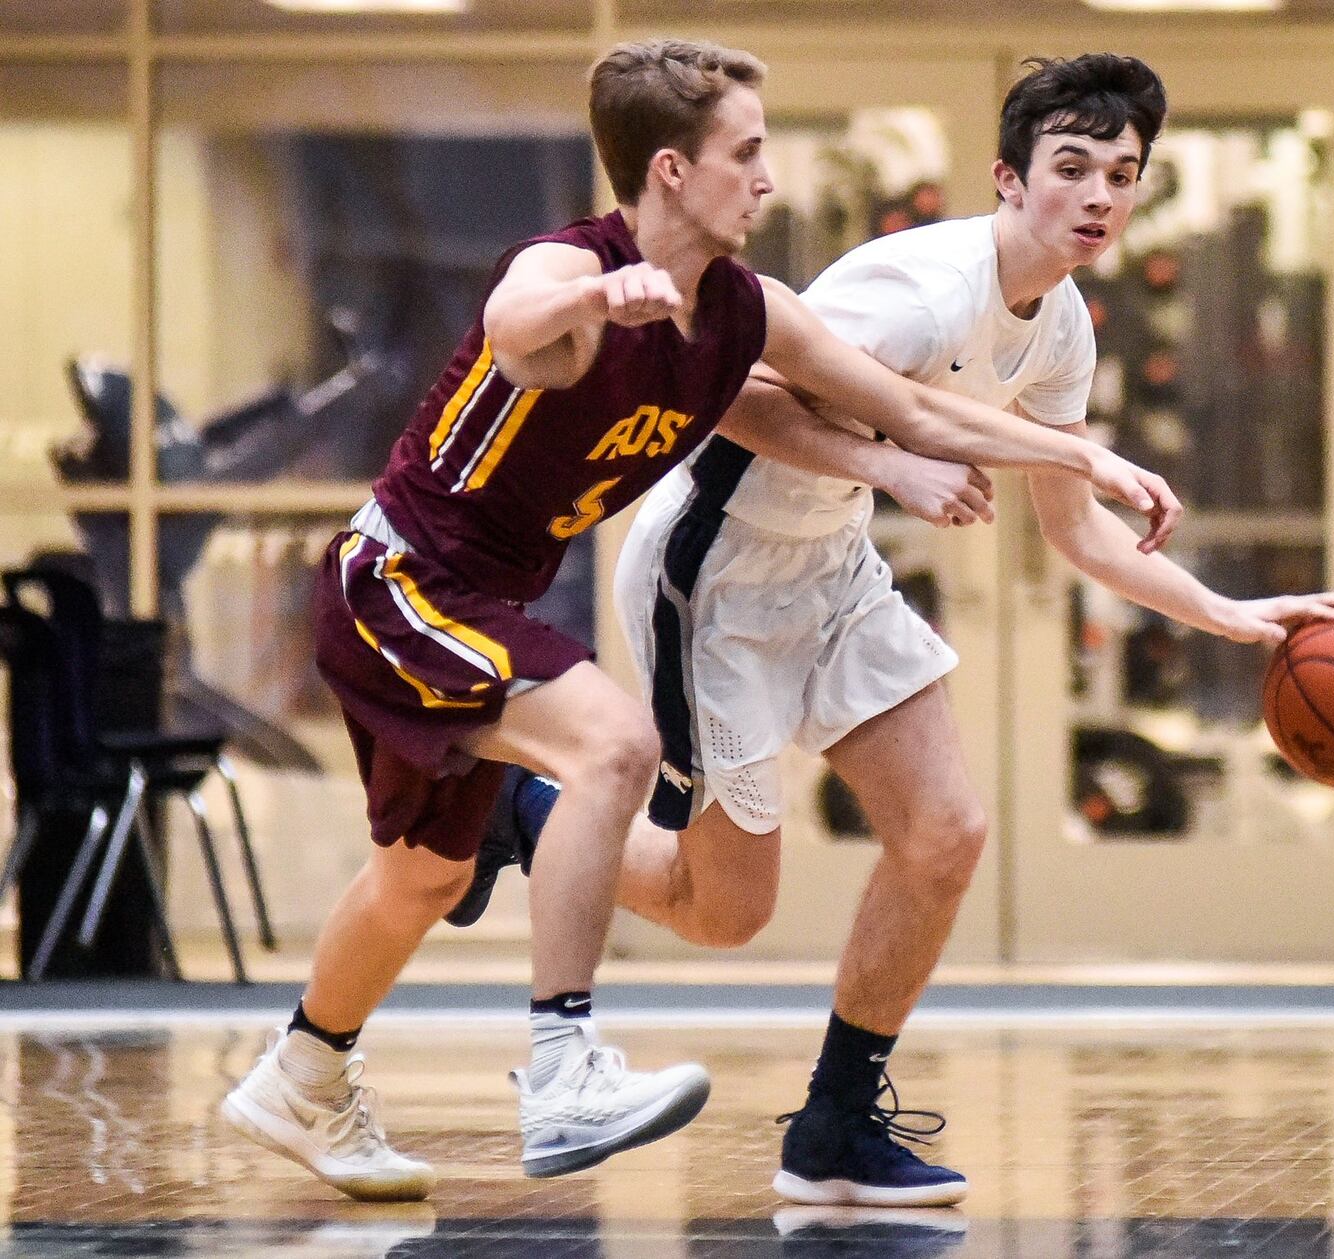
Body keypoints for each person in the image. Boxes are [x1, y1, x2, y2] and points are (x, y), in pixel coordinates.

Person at [219, 38, 1183, 1204]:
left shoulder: (746, 310)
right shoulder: (569, 266)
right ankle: (564, 1064)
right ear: (672, 170)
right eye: (747, 151)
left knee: (418, 879)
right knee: (614, 745)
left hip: (482, 601)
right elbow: (516, 314)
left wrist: (1083, 455)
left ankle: (301, 1070)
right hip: (401, 583)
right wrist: (595, 293)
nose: (767, 177)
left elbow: (915, 411)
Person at [463, 52, 1334, 1209]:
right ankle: (521, 810)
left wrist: (1231, 617)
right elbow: (726, 394)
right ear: (1007, 177)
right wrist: (894, 463)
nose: (1096, 195)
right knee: (726, 910)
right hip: (715, 569)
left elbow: (1076, 533)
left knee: (946, 830)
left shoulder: (1064, 326)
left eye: (1120, 175)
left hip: (832, 563)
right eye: (1070, 168)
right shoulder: (917, 288)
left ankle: (834, 1123)